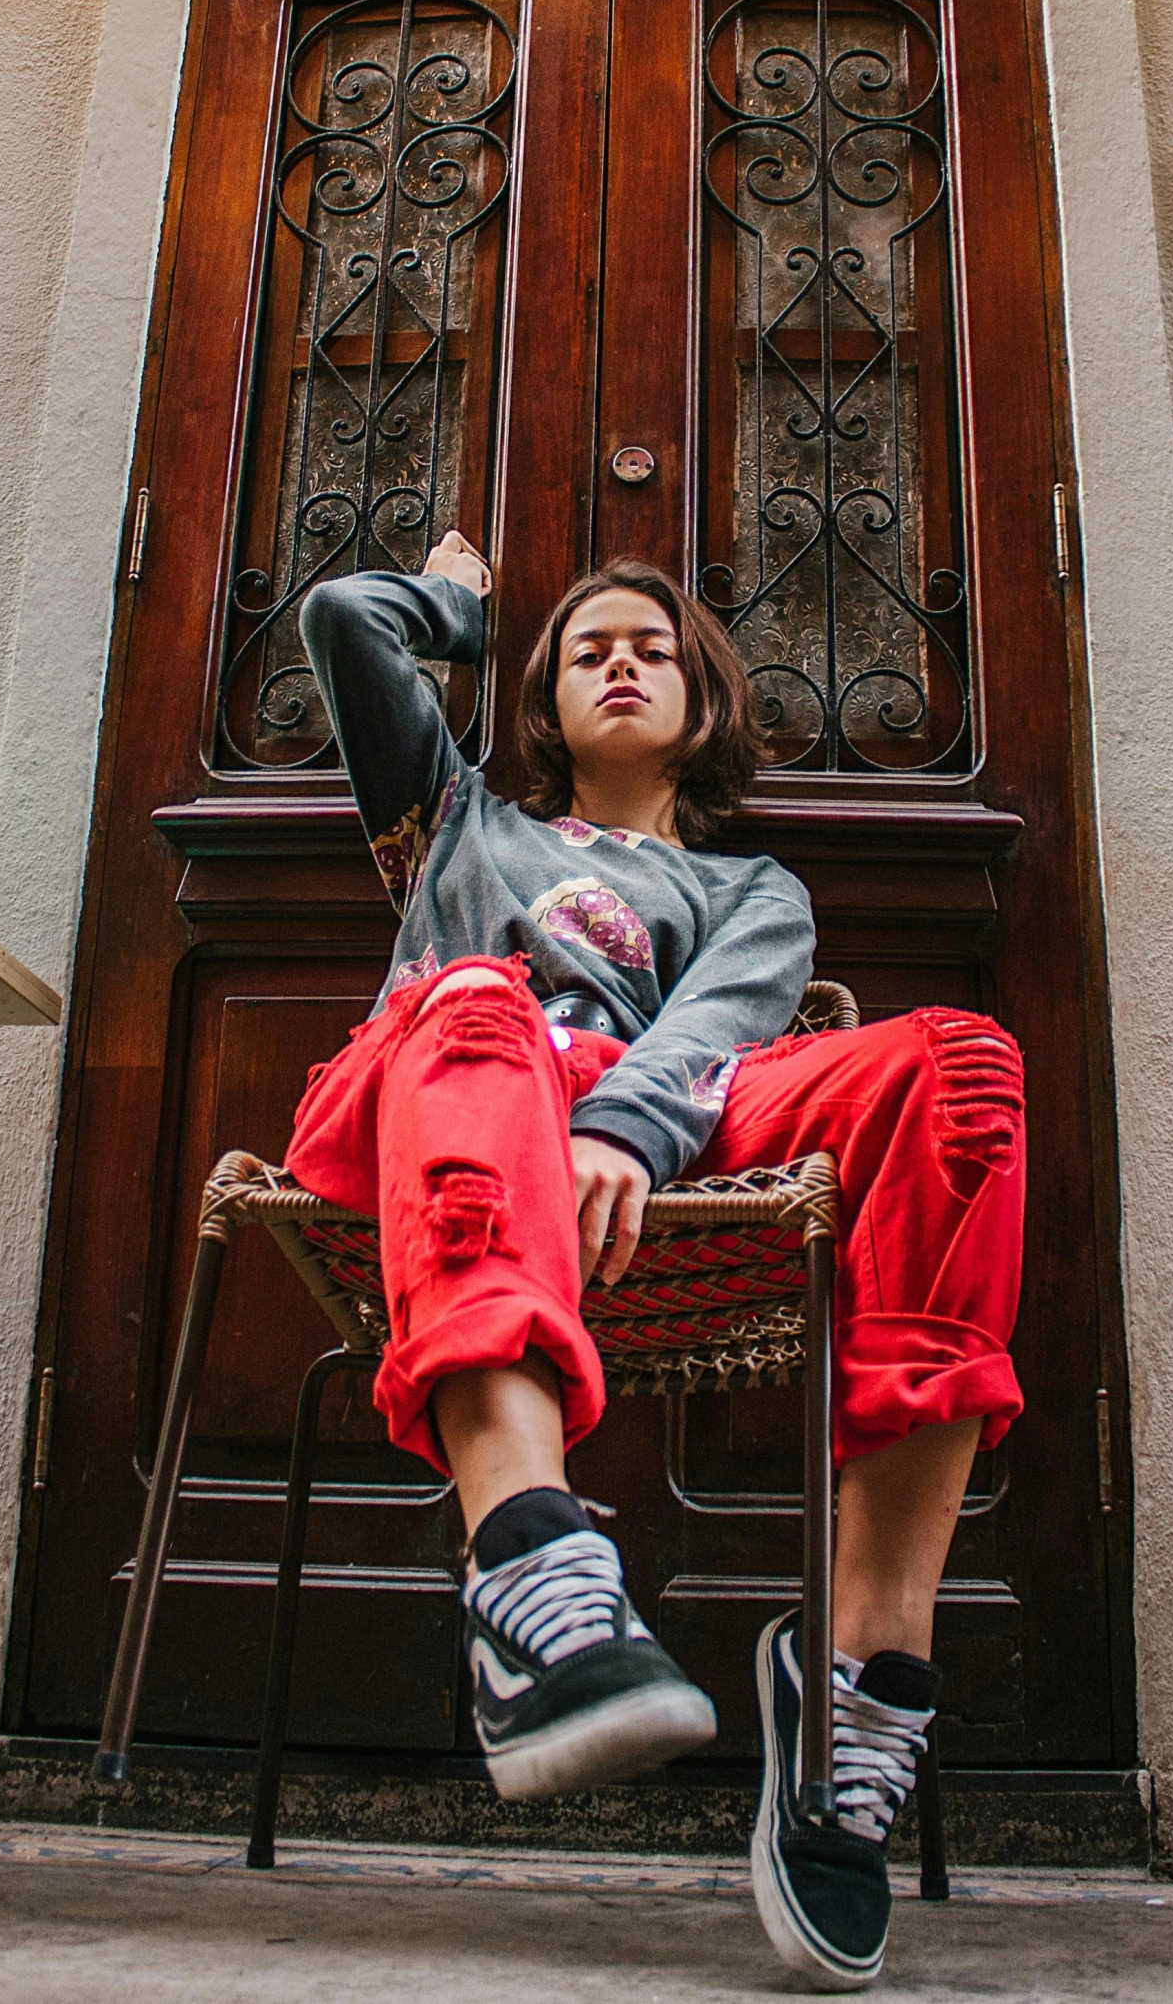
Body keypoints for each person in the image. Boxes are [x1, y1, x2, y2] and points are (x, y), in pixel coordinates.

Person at [284, 531, 1026, 1991]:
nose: (621, 659)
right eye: (583, 648)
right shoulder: (451, 824)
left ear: (703, 701)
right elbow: (336, 620)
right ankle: (528, 1566)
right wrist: (461, 609)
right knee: (478, 992)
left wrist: (624, 1120)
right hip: (441, 1096)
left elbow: (722, 1033)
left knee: (960, 1064)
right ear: (540, 701)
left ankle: (857, 1679)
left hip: (660, 1123)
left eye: (653, 646)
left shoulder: (753, 890)